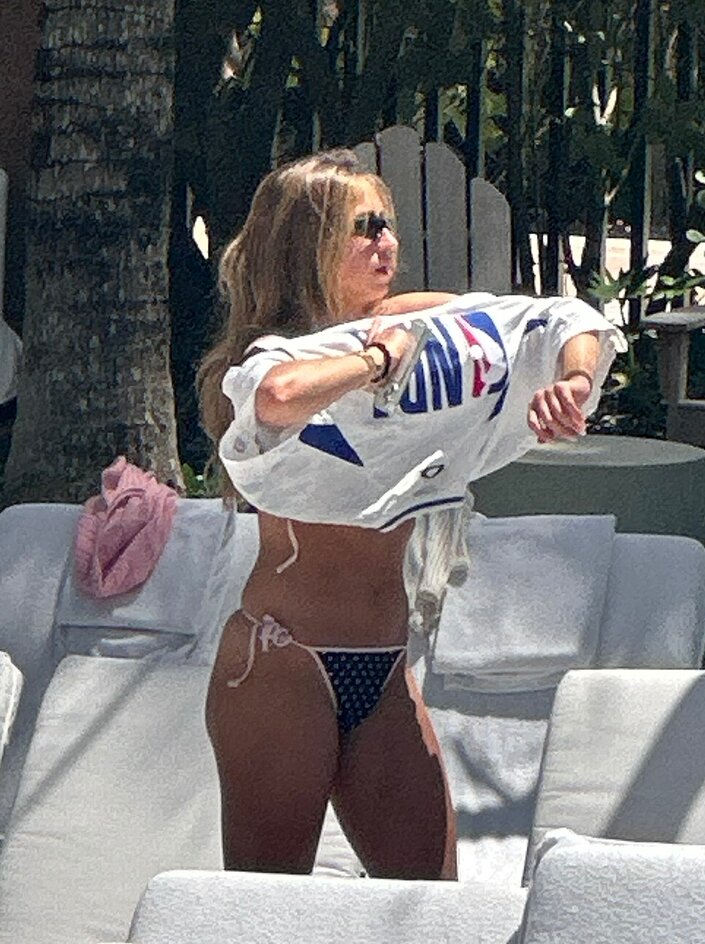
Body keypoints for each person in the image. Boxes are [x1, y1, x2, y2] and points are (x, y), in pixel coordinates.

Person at [197, 149, 619, 880]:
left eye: (388, 224)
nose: (385, 242)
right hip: (281, 663)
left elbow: (559, 320)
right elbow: (275, 398)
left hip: (387, 667)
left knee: (432, 902)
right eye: (364, 227)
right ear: (311, 242)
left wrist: (574, 382)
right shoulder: (275, 355)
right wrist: (376, 362)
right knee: (266, 907)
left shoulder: (416, 320)